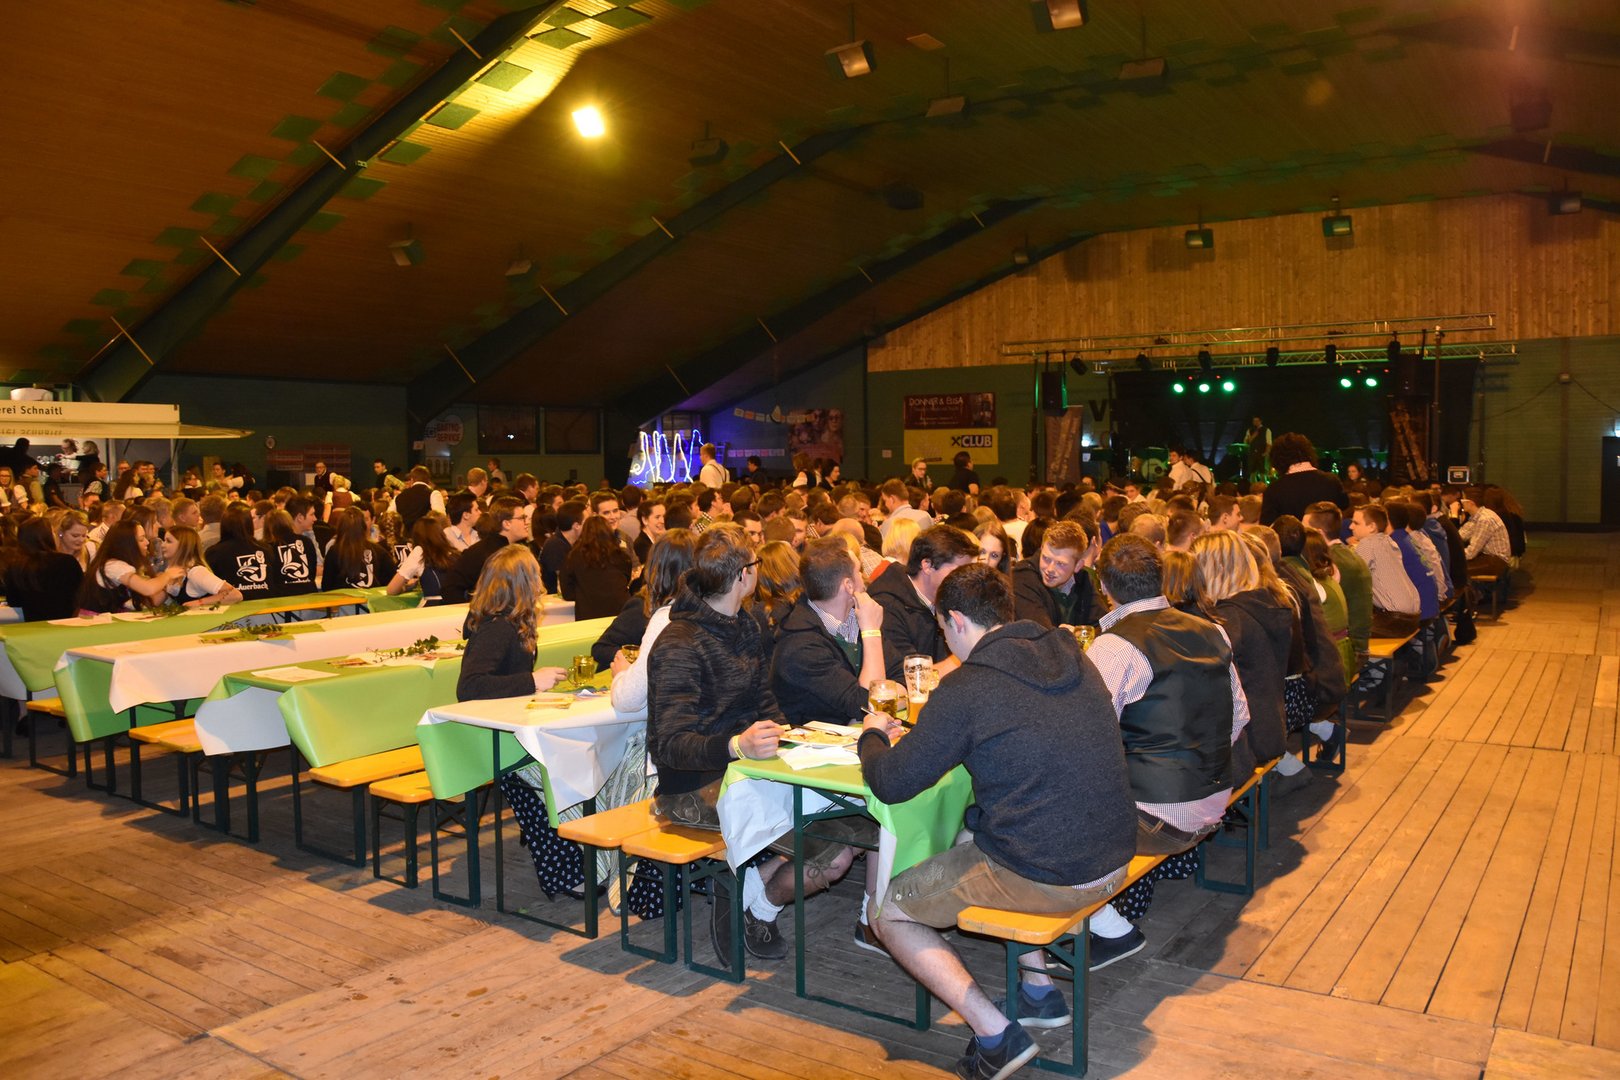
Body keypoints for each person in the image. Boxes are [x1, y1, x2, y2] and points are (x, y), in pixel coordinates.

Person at [861, 563, 1136, 1080]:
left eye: (943, 629)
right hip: (1114, 853)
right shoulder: (1070, 652)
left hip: (1055, 874)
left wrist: (872, 736)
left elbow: (892, 782)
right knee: (978, 832)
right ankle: (1038, 989)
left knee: (888, 912)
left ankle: (996, 1036)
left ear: (957, 621)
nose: (946, 641)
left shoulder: (969, 686)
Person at [647, 524, 864, 967]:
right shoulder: (678, 643)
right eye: (755, 564)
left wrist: (790, 737)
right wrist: (734, 746)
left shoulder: (745, 623)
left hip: (751, 770)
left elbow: (763, 700)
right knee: (835, 854)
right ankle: (756, 902)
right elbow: (668, 745)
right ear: (743, 575)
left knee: (858, 822)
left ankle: (749, 893)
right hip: (693, 790)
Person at [1082, 534, 1249, 961]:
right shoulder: (1211, 630)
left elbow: (1087, 741)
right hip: (1216, 797)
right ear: (1161, 578)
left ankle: (1111, 928)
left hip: (1160, 816)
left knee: (1045, 819)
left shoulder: (1114, 647)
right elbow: (1239, 716)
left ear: (1104, 587)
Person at [769, 536, 887, 725]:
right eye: (859, 571)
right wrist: (872, 632)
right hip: (808, 741)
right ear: (848, 586)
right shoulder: (800, 646)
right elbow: (869, 704)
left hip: (847, 735)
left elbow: (900, 674)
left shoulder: (856, 617)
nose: (864, 579)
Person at [867, 523, 979, 681]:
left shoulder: (949, 596)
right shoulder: (887, 606)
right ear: (927, 565)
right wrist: (967, 651)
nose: (964, 580)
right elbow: (908, 678)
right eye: (957, 571)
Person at [457, 545, 569, 698]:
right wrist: (533, 681)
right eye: (536, 575)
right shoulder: (498, 626)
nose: (540, 582)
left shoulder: (510, 619)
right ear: (526, 583)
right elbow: (469, 686)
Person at [608, 530, 698, 716]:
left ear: (656, 570)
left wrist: (622, 674)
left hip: (678, 725)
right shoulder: (716, 609)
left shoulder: (665, 619)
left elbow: (628, 700)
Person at [77, 520, 183, 613]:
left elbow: (151, 598)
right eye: (141, 539)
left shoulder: (121, 565)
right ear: (127, 544)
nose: (147, 542)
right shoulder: (113, 566)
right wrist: (167, 575)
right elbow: (148, 589)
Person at [1347, 503, 1421, 637]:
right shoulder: (1388, 541)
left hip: (1396, 618)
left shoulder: (1368, 544)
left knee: (1344, 631)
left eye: (1356, 523)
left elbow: (1351, 579)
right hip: (1414, 615)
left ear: (1372, 527)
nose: (1350, 527)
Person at [1011, 520, 1099, 630]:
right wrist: (1074, 634)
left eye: (1060, 564)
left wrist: (1077, 633)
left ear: (1078, 566)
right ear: (1041, 549)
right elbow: (1040, 632)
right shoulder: (1023, 576)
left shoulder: (1084, 579)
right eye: (1046, 558)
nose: (1050, 569)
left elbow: (1103, 626)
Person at [441, 497, 530, 605]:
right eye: (522, 518)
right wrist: (476, 609)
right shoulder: (481, 553)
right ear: (507, 523)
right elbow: (450, 588)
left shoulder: (521, 548)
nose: (527, 522)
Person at [3, 518, 85, 620]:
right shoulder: (68, 562)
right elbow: (82, 594)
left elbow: (14, 601)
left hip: (33, 623)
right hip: (66, 621)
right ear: (49, 536)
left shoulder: (16, 567)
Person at [1259, 433, 1347, 524]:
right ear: (1309, 452)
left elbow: (1267, 529)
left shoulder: (1274, 490)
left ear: (1277, 460)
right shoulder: (1332, 481)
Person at [561, 516, 634, 621]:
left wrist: (584, 593)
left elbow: (567, 593)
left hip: (588, 614)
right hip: (621, 612)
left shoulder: (573, 557)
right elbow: (626, 580)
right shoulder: (622, 556)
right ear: (609, 533)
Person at [160, 525, 242, 607]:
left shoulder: (196, 572)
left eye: (168, 541)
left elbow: (234, 594)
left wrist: (198, 603)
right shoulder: (170, 570)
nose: (162, 545)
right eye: (164, 540)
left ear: (184, 545)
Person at [204, 504, 273, 600]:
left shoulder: (214, 553)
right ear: (249, 525)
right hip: (268, 603)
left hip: (231, 605)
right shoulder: (265, 549)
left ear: (223, 525)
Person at [387, 512, 459, 604]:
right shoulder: (455, 552)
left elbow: (391, 590)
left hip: (435, 608)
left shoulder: (420, 552)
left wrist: (406, 588)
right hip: (459, 606)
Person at [321, 506, 396, 590]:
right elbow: (393, 579)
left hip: (343, 597)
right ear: (363, 527)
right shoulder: (379, 551)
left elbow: (326, 586)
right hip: (372, 597)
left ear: (340, 527)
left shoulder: (334, 552)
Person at [262, 509, 319, 598]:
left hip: (282, 597)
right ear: (289, 522)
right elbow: (312, 571)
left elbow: (269, 577)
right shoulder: (306, 541)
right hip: (309, 592)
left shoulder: (267, 547)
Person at [540, 502, 583, 595]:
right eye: (587, 521)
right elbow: (565, 582)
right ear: (576, 525)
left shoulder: (577, 542)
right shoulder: (554, 545)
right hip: (555, 598)